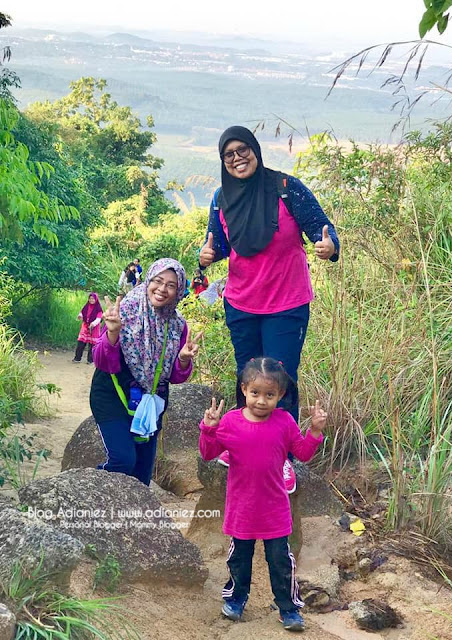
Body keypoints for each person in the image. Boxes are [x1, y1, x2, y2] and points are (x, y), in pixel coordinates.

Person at [199, 125, 339, 490]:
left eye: (242, 150)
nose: (236, 158)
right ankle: (239, 444)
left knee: (280, 379)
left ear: (256, 151)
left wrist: (329, 247)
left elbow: (322, 229)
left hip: (286, 304)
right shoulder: (220, 198)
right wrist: (208, 254)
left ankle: (283, 459)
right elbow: (220, 244)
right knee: (247, 376)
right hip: (241, 303)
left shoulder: (286, 188)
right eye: (228, 154)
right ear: (223, 161)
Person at [199, 357, 327, 632]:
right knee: (239, 559)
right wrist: (209, 428)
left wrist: (314, 430)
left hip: (275, 509)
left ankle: (288, 608)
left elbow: (302, 453)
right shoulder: (231, 422)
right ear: (244, 389)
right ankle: (236, 599)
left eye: (269, 395)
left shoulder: (284, 423)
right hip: (242, 508)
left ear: (280, 395)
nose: (261, 400)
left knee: (280, 560)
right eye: (255, 393)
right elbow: (208, 453)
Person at [90, 258, 202, 486]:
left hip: (150, 403)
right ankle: (87, 492)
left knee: (141, 477)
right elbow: (102, 362)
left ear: (179, 290)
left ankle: (128, 519)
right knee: (123, 460)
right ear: (148, 279)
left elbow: (175, 377)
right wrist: (112, 333)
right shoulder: (125, 311)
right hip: (113, 395)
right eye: (158, 281)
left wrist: (182, 359)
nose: (162, 289)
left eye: (171, 285)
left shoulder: (178, 325)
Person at [72, 293, 103, 364]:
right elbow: (82, 313)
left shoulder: (98, 309)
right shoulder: (86, 306)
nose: (91, 300)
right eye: (90, 298)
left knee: (92, 345)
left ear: (96, 299)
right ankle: (77, 358)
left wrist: (93, 324)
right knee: (81, 342)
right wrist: (80, 316)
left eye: (93, 299)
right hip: (85, 326)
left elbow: (99, 319)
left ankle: (90, 360)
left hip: (94, 328)